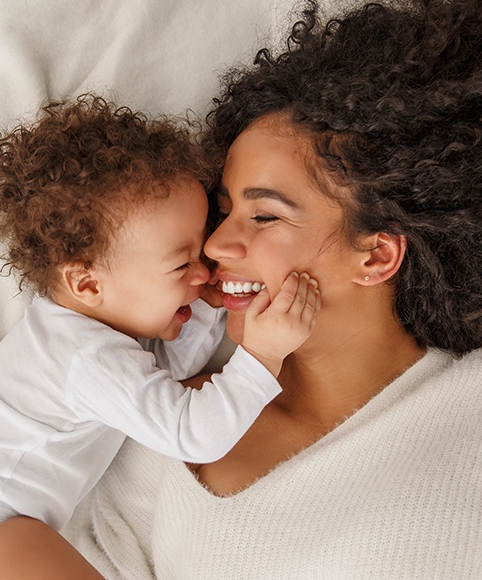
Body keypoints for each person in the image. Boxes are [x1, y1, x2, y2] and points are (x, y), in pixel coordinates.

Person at [57, 0, 481, 577]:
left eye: (264, 217)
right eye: (224, 210)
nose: (213, 246)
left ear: (377, 253)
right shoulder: (173, 411)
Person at [0, 95, 320, 574]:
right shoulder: (85, 357)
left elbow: (170, 375)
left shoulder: (93, 326)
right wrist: (262, 354)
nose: (205, 266)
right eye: (181, 262)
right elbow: (192, 432)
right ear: (87, 283)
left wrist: (207, 308)